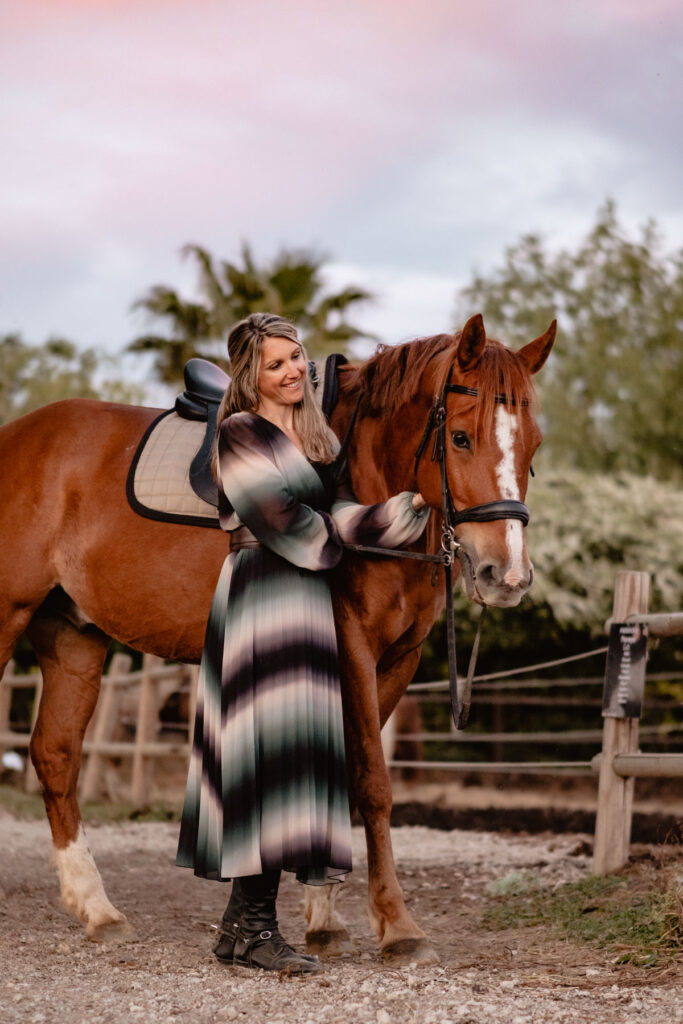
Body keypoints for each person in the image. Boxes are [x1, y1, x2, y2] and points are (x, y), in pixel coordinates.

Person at [176, 312, 429, 975]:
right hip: (263, 594)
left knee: (292, 761)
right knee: (265, 760)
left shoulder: (316, 437)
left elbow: (341, 509)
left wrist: (398, 512)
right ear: (250, 376)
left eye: (296, 358)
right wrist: (370, 526)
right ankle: (256, 930)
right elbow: (295, 530)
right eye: (275, 364)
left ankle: (240, 930)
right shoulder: (238, 434)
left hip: (306, 604)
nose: (292, 371)